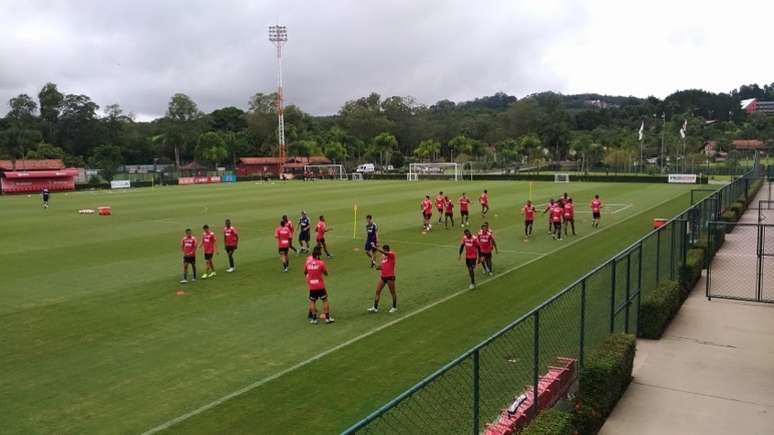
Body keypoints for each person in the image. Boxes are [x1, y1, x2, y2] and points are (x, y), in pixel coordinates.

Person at [304, 246, 334, 324]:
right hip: (319, 285)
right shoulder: (320, 262)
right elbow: (326, 273)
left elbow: (305, 272)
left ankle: (313, 318)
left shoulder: (308, 261)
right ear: (318, 254)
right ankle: (327, 318)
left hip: (311, 283)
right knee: (325, 300)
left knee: (312, 301)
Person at [368, 244, 398, 313]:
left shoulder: (391, 254)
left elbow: (384, 253)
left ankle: (394, 307)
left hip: (390, 277)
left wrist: (375, 248)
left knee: (392, 293)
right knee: (377, 291)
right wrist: (377, 266)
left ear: (386, 250)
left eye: (384, 250)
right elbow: (382, 267)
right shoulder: (384, 258)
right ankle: (375, 308)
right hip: (383, 277)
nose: (383, 254)